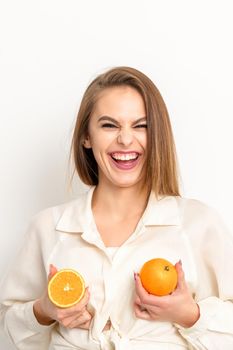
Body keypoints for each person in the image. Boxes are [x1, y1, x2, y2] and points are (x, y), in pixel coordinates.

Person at [0, 66, 233, 350]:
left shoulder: (199, 224)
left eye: (141, 125)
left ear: (157, 136)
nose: (125, 139)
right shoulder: (47, 227)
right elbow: (8, 329)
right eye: (109, 125)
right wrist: (44, 312)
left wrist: (190, 316)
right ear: (86, 137)